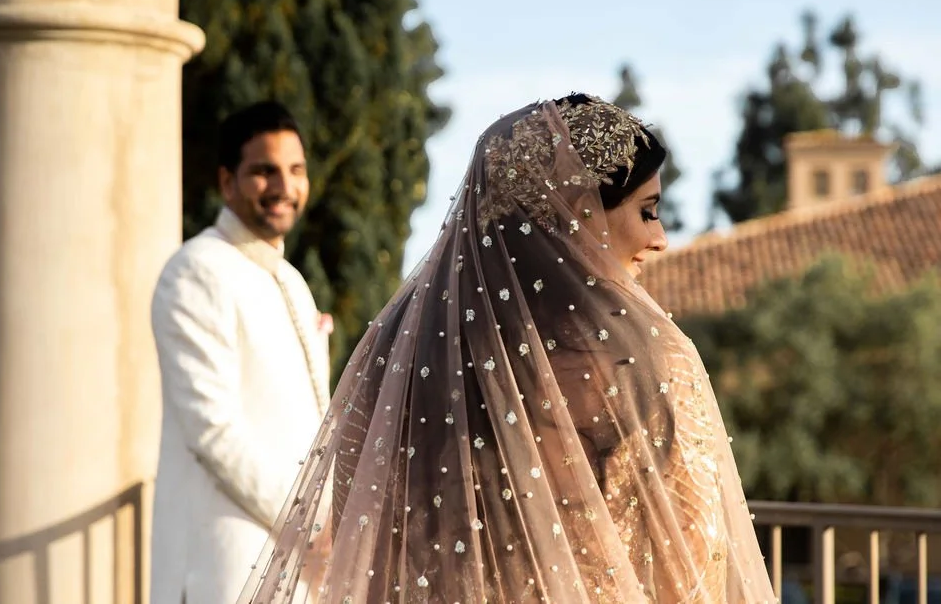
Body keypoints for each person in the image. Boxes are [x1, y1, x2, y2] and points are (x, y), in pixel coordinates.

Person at [237, 95, 777, 603]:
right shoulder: (649, 363)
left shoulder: (395, 352)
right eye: (648, 210)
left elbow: (366, 549)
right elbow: (691, 574)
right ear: (578, 214)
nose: (661, 240)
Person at [149, 101, 332, 604]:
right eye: (264, 172)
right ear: (228, 182)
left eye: (295, 171)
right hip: (224, 563)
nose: (283, 187)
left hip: (296, 564)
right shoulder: (195, 271)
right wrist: (311, 524)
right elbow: (214, 433)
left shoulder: (291, 281)